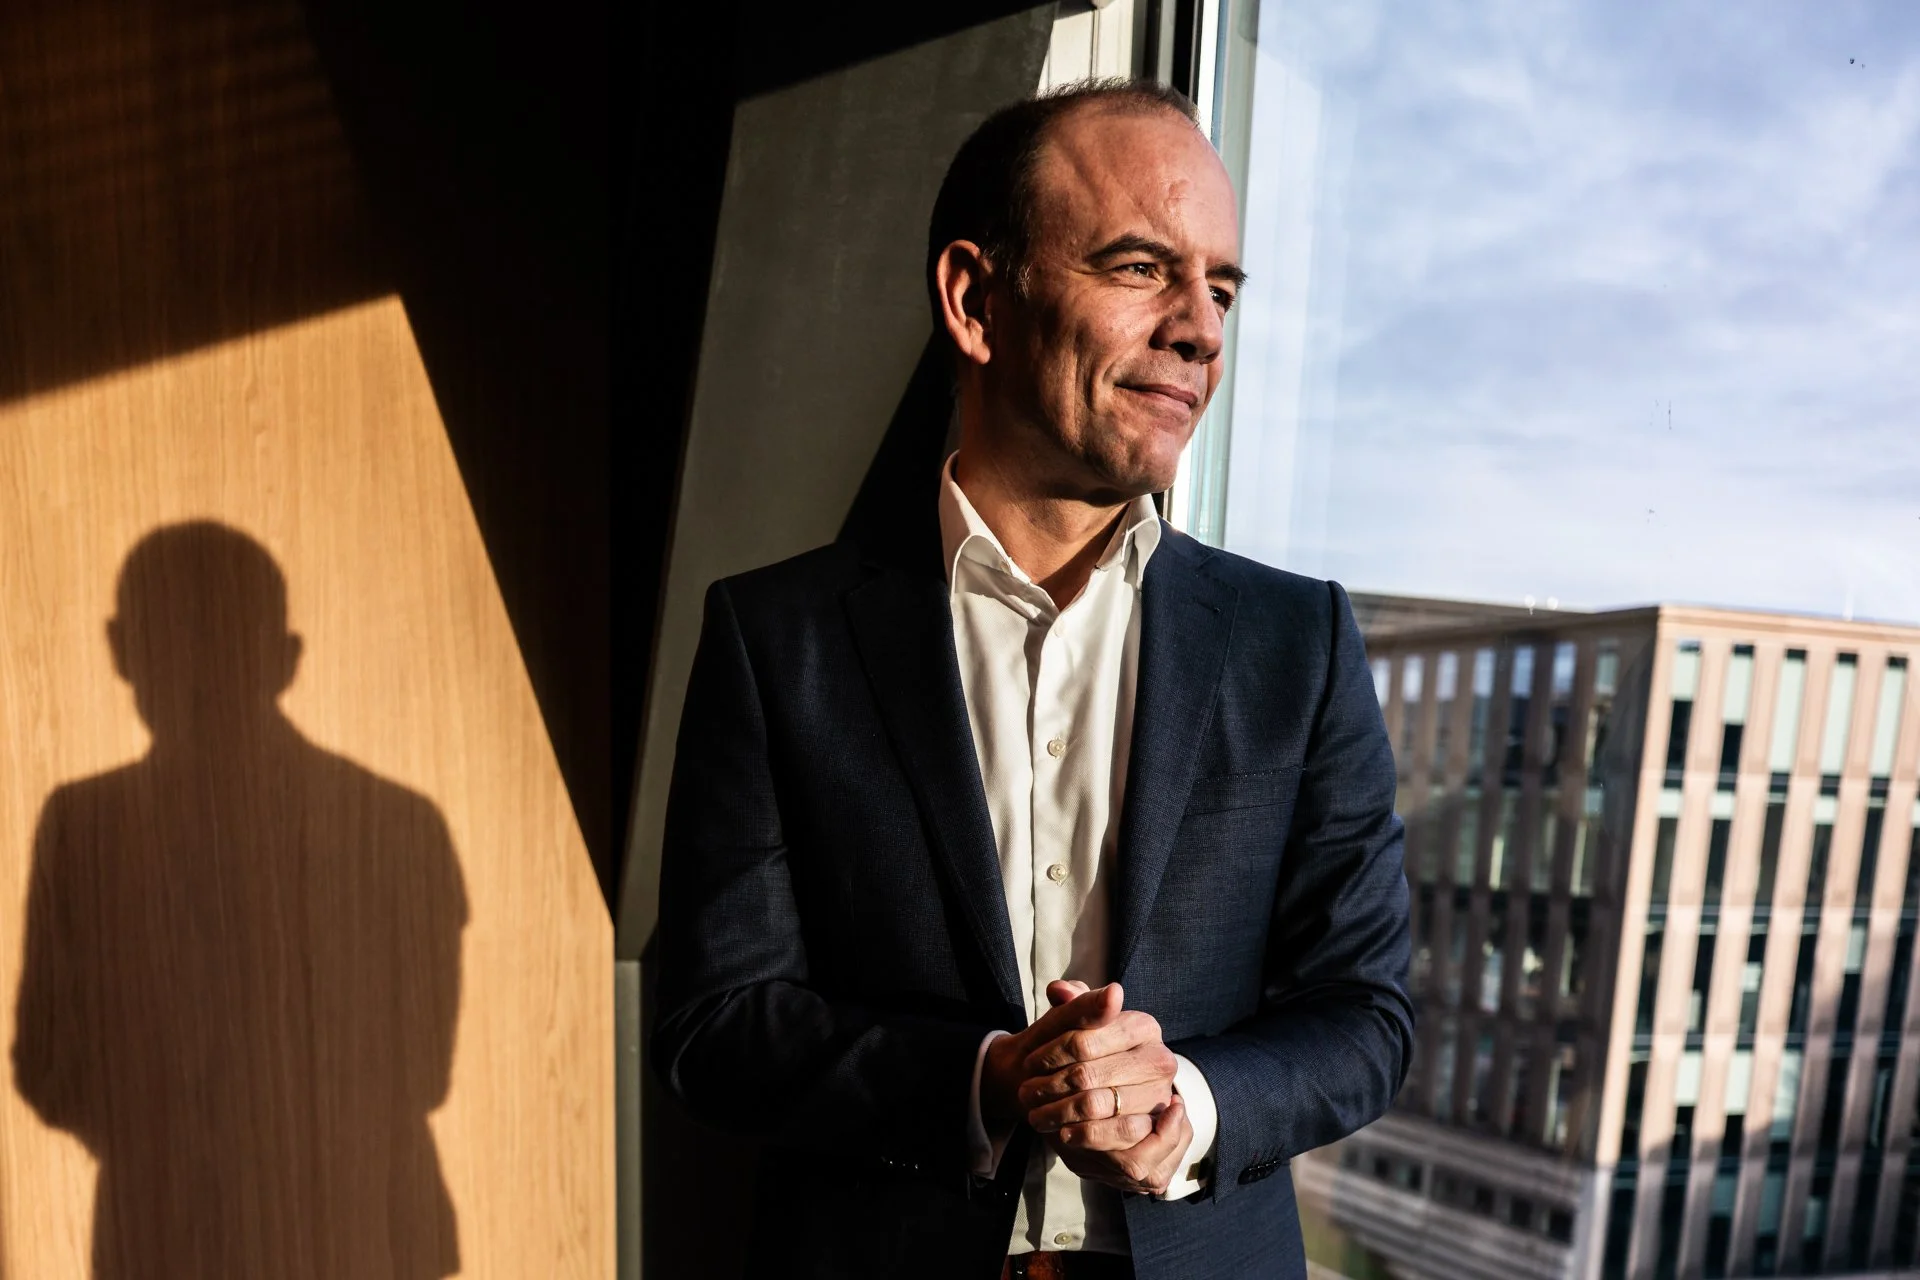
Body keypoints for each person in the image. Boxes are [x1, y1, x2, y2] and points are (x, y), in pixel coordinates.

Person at [651, 78, 1412, 1280]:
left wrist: (1188, 1103)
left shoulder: (1296, 642)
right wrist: (994, 1077)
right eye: (1139, 268)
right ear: (974, 297)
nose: (1201, 328)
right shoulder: (775, 633)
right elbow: (712, 1024)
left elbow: (1367, 1011)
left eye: (1221, 286)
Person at [12, 522, 466, 1279]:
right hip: (364, 1227)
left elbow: (46, 1063)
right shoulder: (398, 821)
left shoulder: (82, 823)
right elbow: (424, 1067)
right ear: (285, 659)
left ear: (119, 649)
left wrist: (162, 1137)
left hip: (159, 1226)